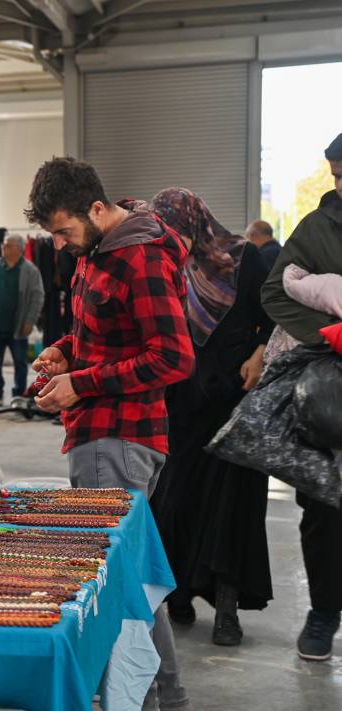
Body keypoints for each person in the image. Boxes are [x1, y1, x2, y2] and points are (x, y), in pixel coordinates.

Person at [26, 157, 194, 710]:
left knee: (118, 586)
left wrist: (82, 383)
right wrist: (64, 352)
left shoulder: (138, 257)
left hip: (118, 438)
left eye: (63, 231)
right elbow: (103, 335)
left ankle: (143, 699)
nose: (58, 245)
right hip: (104, 436)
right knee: (133, 579)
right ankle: (165, 696)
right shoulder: (97, 250)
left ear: (96, 209)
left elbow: (173, 357)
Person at [148, 188, 273, 647]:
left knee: (231, 506)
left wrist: (260, 353)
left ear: (194, 222)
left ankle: (226, 608)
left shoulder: (243, 258)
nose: (170, 239)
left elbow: (274, 313)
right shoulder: (163, 263)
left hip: (235, 398)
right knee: (176, 499)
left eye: (175, 230)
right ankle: (179, 594)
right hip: (182, 401)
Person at [260, 131, 342, 662]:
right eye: (337, 175)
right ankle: (323, 613)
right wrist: (328, 333)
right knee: (322, 504)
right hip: (331, 390)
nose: (341, 184)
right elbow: (274, 292)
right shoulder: (317, 227)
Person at [0, 233, 45, 407]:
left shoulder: (30, 270)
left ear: (19, 249)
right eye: (4, 245)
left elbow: (38, 296)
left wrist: (30, 320)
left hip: (18, 326)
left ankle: (19, 395)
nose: (4, 248)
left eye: (8, 245)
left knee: (20, 362)